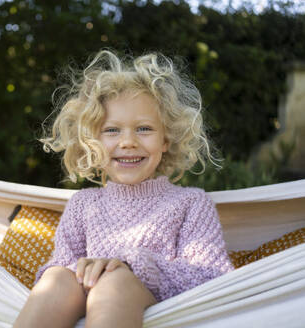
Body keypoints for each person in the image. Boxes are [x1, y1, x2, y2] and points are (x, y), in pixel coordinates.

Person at [13, 49, 235, 328]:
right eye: (111, 130)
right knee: (56, 277)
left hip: (161, 309)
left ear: (166, 139)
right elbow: (64, 265)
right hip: (82, 301)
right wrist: (81, 271)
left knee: (113, 282)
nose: (128, 141)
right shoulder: (83, 204)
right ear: (92, 141)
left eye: (143, 129)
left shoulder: (190, 203)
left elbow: (211, 276)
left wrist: (133, 264)